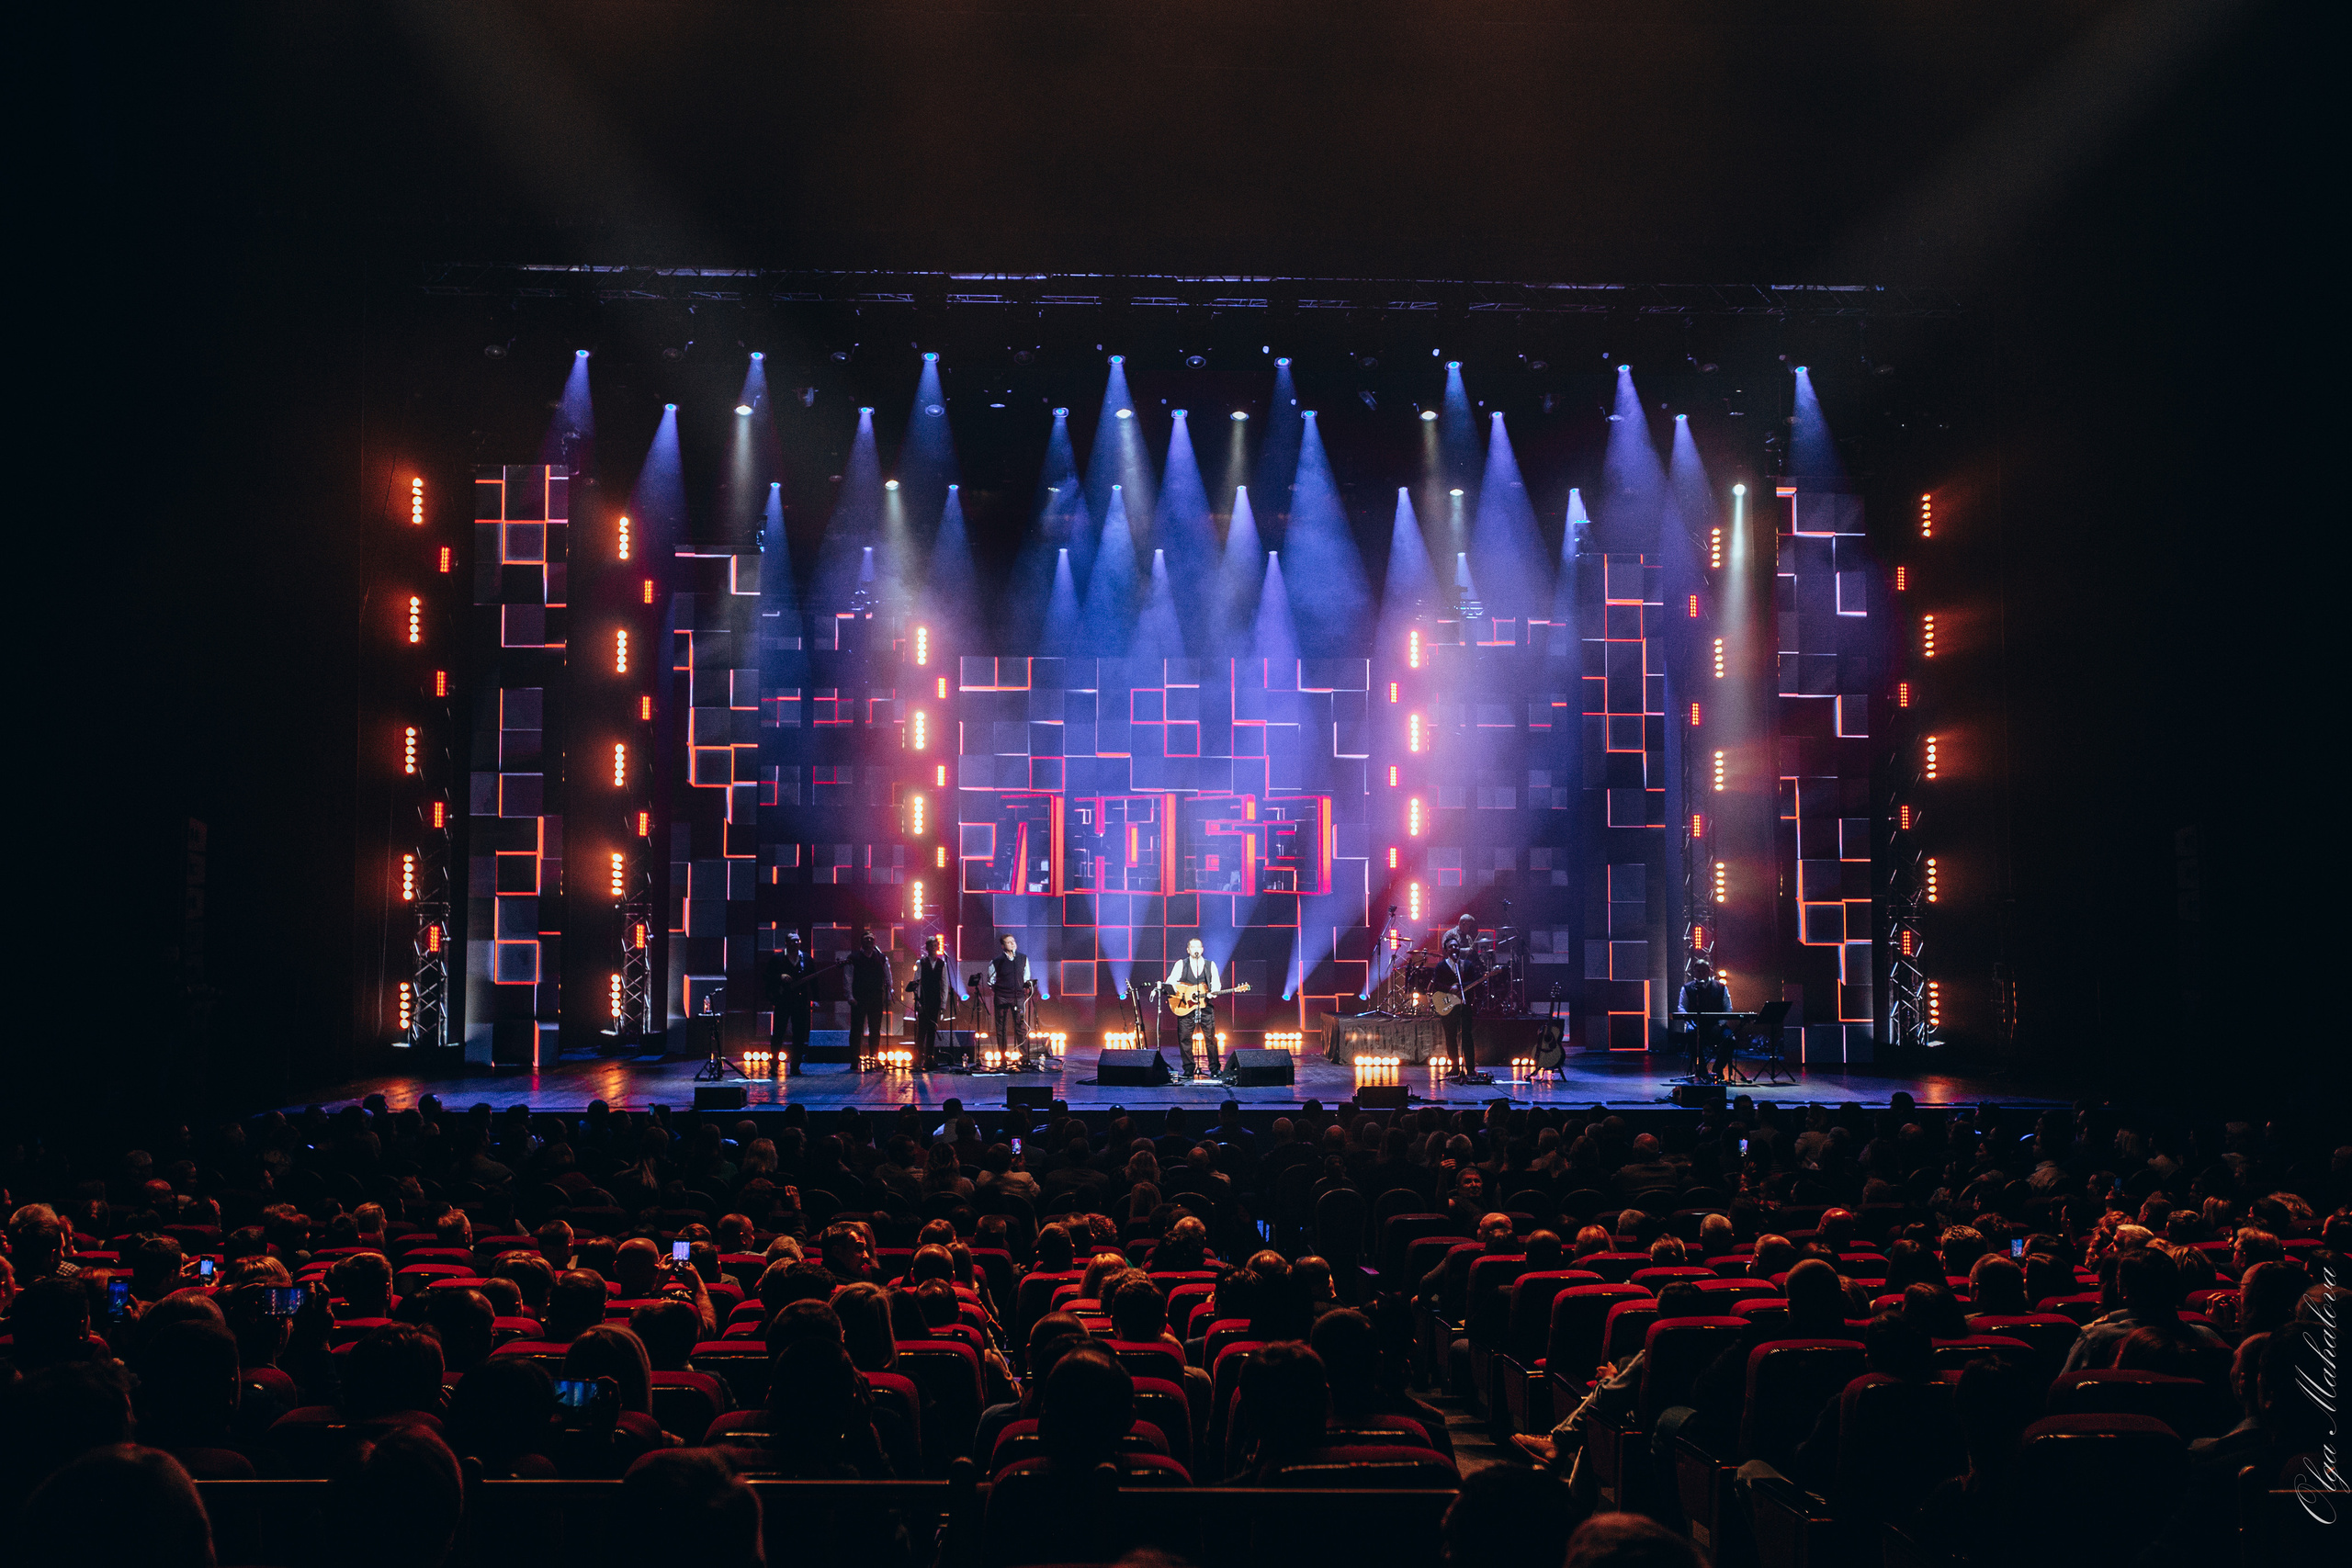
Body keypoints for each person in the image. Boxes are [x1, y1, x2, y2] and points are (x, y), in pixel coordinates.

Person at [1166, 937, 1226, 1079]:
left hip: (1205, 1006)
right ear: (1188, 950)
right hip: (1185, 1006)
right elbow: (1170, 982)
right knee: (1185, 1038)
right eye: (1193, 947)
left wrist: (1213, 993)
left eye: (1198, 947)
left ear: (1202, 949)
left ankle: (1214, 1068)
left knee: (1211, 1039)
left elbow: (1216, 984)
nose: (1196, 949)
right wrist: (1183, 992)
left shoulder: (1210, 965)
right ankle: (1188, 1068)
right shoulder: (1181, 964)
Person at [1440, 915, 1485, 1071]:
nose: (1454, 949)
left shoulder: (1467, 965)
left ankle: (1470, 1068)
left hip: (1464, 1004)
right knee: (1450, 1036)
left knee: (1467, 1035)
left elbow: (1473, 980)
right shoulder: (1443, 964)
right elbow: (1437, 984)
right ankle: (1454, 1067)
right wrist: (1450, 988)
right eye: (1451, 947)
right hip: (1449, 1004)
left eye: (1456, 947)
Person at [766, 933, 814, 1076]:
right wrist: (779, 977)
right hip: (783, 1000)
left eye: (798, 941)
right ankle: (774, 1064)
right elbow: (767, 977)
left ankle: (795, 1065)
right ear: (786, 943)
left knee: (799, 1034)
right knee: (778, 1033)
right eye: (793, 941)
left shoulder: (806, 958)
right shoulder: (777, 958)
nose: (796, 944)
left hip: (800, 1001)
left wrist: (815, 998)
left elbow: (813, 978)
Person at [1677, 957, 1732, 1079]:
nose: (1701, 974)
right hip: (1697, 1026)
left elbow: (1728, 1008)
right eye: (1698, 971)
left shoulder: (1721, 987)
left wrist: (1720, 1025)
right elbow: (1681, 1007)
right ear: (1694, 972)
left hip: (1717, 1025)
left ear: (1709, 972)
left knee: (1730, 1039)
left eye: (1703, 971)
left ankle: (1718, 1069)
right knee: (1691, 1036)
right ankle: (1701, 1070)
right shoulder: (1687, 988)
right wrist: (1689, 1023)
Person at [906, 933, 955, 1068]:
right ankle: (917, 1058)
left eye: (935, 946)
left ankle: (929, 1058)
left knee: (932, 1030)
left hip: (935, 1000)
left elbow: (944, 984)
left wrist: (943, 1004)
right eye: (931, 946)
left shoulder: (942, 964)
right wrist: (918, 1001)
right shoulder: (920, 963)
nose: (933, 948)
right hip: (924, 1000)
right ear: (927, 947)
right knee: (921, 1030)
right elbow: (917, 983)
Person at [846, 929, 893, 1063]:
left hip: (876, 997)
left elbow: (888, 976)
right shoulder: (853, 957)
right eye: (867, 939)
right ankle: (854, 1059)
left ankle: (874, 1056)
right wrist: (849, 996)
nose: (869, 941)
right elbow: (848, 978)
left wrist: (889, 994)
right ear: (862, 941)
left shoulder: (881, 958)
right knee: (856, 1029)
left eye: (872, 939)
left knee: (875, 1029)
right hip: (859, 997)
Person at [987, 933, 1034, 1066]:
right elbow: (990, 980)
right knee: (1001, 1028)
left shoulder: (1023, 958)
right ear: (1003, 946)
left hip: (1018, 996)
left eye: (1013, 941)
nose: (1012, 944)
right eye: (1008, 942)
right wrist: (998, 990)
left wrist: (1024, 987)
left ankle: (1024, 1057)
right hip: (1002, 996)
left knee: (1020, 1026)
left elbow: (1026, 976)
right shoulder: (997, 961)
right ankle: (1002, 1058)